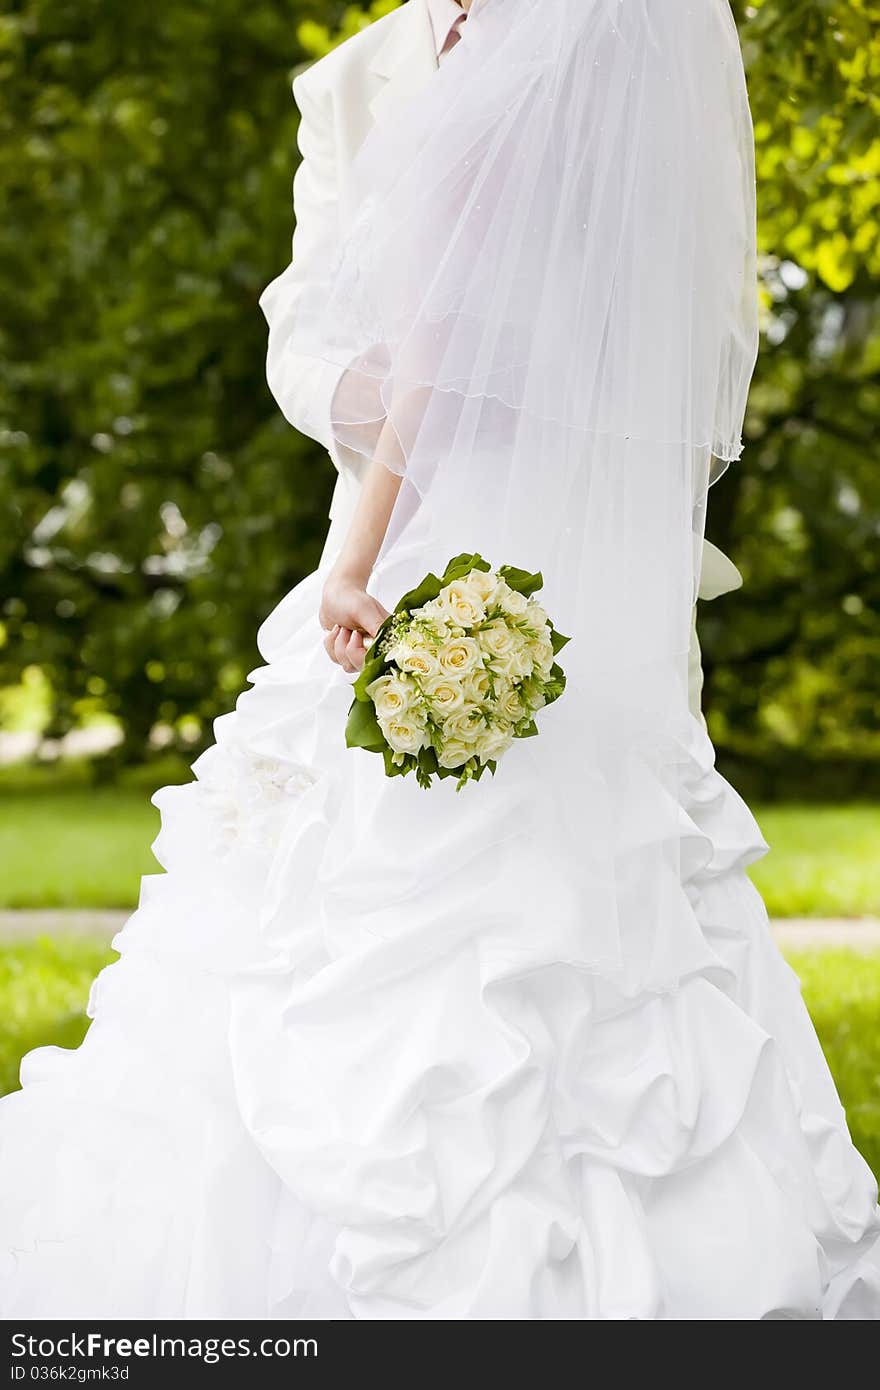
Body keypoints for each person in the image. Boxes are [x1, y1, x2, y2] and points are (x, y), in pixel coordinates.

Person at [1, 0, 878, 1321]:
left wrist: (353, 566)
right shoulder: (629, 88)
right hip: (583, 580)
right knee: (621, 919)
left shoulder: (501, 97)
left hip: (445, 538)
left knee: (351, 928)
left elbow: (432, 369)